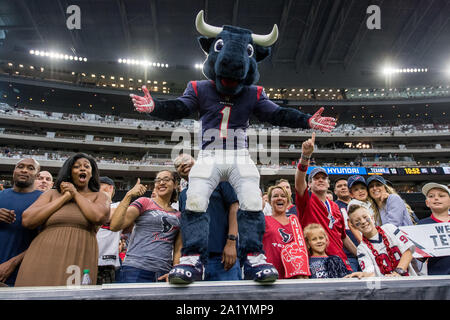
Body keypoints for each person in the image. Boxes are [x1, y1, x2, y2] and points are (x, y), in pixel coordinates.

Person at [131, 11, 336, 284]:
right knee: (195, 198)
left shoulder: (253, 93)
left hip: (239, 155)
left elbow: (277, 113)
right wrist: (156, 107)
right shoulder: (199, 87)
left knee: (251, 198)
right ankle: (193, 258)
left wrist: (306, 120)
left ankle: (253, 256)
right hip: (209, 154)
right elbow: (181, 107)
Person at [16, 153, 110, 286]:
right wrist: (64, 198)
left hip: (78, 257)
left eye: (86, 167)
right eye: (76, 167)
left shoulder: (100, 196)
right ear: (70, 172)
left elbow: (98, 217)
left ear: (92, 173)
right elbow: (28, 220)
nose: (82, 169)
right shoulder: (51, 194)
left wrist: (75, 194)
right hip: (42, 255)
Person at [172, 153, 240, 282]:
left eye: (186, 160)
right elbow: (185, 228)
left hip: (222, 255)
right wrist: (177, 263)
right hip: (193, 261)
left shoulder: (219, 181)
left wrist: (231, 242)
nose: (183, 165)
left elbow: (234, 208)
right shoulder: (183, 195)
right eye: (178, 165)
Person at [294, 133, 357, 271]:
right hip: (317, 261)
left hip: (341, 260)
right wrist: (305, 157)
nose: (321, 180)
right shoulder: (307, 201)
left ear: (329, 184)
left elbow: (343, 237)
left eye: (324, 178)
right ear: (309, 184)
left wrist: (360, 254)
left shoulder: (335, 207)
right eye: (316, 178)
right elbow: (299, 183)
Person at [110, 170, 182, 283]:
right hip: (135, 269)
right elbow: (115, 226)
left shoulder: (179, 215)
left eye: (166, 179)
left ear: (176, 184)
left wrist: (175, 270)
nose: (161, 182)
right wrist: (129, 195)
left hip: (163, 273)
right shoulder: (144, 202)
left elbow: (178, 249)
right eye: (158, 180)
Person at [0, 158, 42, 286]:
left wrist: (13, 262)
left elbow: (44, 240)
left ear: (37, 175)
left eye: (30, 168)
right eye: (20, 166)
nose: (24, 170)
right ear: (14, 171)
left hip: (20, 273)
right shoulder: (1, 195)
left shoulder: (44, 199)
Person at [346, 204, 417, 277]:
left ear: (372, 217)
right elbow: (370, 272)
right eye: (357, 221)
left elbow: (408, 251)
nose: (363, 221)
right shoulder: (361, 249)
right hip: (387, 287)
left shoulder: (390, 228)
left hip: (409, 283)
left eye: (365, 217)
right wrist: (362, 274)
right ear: (354, 227)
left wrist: (398, 272)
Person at [262, 185, 309, 279]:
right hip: (271, 273)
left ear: (287, 201)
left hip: (293, 275)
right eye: (275, 196)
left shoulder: (295, 221)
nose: (279, 198)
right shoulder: (264, 220)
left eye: (283, 196)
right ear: (270, 201)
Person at [418, 183, 450, 275]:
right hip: (438, 278)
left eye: (441, 195)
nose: (436, 198)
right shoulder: (421, 225)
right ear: (427, 203)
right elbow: (420, 258)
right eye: (431, 196)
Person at [96, 176, 122, 285]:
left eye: (100, 185)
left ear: (110, 188)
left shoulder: (119, 205)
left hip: (106, 261)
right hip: (86, 259)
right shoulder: (90, 205)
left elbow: (106, 216)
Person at [333, 177, 359, 272]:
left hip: (367, 252)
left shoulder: (360, 204)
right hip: (347, 255)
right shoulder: (333, 207)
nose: (343, 188)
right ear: (335, 191)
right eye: (339, 186)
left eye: (345, 185)